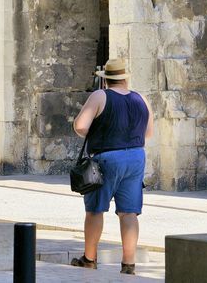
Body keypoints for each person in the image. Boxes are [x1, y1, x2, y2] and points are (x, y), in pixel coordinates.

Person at [71, 59, 154, 275]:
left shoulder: (100, 96)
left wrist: (93, 133)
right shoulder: (141, 99)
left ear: (105, 79)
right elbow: (148, 133)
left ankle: (89, 258)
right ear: (125, 78)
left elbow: (80, 125)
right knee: (129, 213)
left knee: (95, 210)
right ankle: (128, 264)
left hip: (107, 158)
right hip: (136, 157)